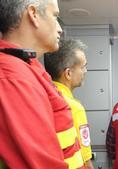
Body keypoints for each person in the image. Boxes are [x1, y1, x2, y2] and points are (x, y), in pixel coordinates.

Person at [0, 0, 84, 168]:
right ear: (34, 14)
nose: (60, 28)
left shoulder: (29, 67)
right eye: (55, 16)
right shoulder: (14, 77)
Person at [44, 39, 94, 169]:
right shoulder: (73, 107)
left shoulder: (42, 96)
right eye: (83, 67)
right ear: (68, 73)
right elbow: (85, 156)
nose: (85, 71)